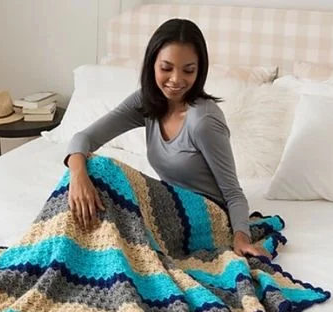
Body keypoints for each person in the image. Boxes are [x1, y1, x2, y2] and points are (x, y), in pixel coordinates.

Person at [65, 18, 267, 258]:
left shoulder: (203, 121)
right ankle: (55, 250)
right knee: (87, 174)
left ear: (200, 70)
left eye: (188, 70)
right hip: (172, 207)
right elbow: (84, 138)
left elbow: (233, 192)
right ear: (152, 64)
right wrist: (77, 176)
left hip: (209, 216)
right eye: (166, 68)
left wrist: (241, 236)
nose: (176, 79)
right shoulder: (146, 103)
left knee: (102, 170)